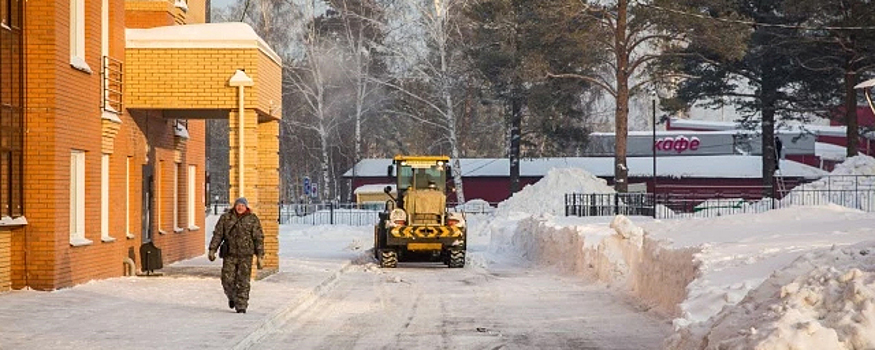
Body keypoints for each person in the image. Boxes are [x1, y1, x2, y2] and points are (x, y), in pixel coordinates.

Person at [208, 197, 264, 314]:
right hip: (230, 254)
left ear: (246, 207)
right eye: (238, 205)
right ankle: (232, 297)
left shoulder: (252, 219)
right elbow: (218, 234)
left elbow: (258, 238)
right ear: (235, 206)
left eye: (242, 205)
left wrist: (260, 255)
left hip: (246, 255)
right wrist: (212, 249)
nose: (240, 207)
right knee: (227, 279)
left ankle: (241, 306)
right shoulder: (226, 218)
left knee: (243, 281)